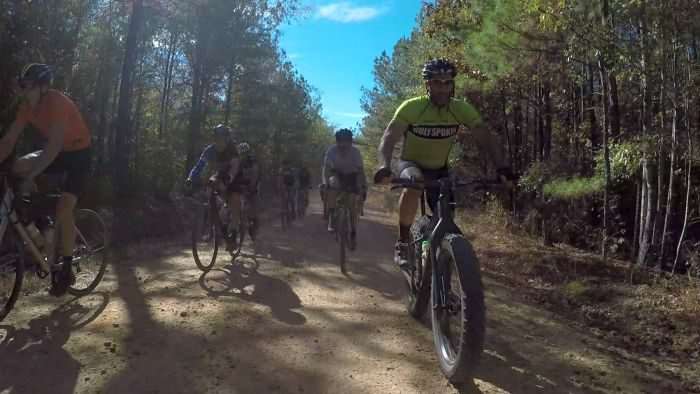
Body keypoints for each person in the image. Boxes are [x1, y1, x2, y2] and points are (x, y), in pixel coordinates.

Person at [373, 58, 514, 270]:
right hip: (410, 163)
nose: (443, 88)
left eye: (447, 83)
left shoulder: (460, 109)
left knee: (446, 222)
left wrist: (501, 166)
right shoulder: (413, 107)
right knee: (415, 183)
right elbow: (389, 138)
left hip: (439, 168)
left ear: (453, 85)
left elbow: (485, 136)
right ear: (427, 84)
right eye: (437, 83)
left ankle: (442, 275)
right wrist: (384, 165)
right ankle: (403, 242)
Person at [0, 63, 92, 296]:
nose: (24, 92)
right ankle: (42, 223)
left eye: (29, 88)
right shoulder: (26, 107)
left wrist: (32, 177)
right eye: (23, 87)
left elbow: (52, 149)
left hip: (79, 155)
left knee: (64, 208)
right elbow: (9, 140)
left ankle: (67, 268)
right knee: (18, 166)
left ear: (43, 88)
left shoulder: (57, 103)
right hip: (59, 153)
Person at [185, 124, 241, 251]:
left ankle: (233, 231)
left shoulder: (232, 149)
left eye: (222, 138)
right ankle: (211, 225)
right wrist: (190, 178)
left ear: (227, 139)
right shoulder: (209, 150)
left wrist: (230, 178)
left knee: (234, 202)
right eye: (216, 138)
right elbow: (199, 166)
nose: (219, 141)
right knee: (210, 188)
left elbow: (235, 166)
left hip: (234, 177)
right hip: (219, 175)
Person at [322, 128, 366, 250]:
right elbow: (326, 170)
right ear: (337, 142)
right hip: (336, 174)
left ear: (351, 142)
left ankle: (353, 232)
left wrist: (362, 186)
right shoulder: (331, 151)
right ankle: (331, 216)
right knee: (332, 186)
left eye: (347, 142)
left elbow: (360, 172)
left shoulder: (356, 152)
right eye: (341, 141)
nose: (344, 145)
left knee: (352, 204)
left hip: (352, 176)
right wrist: (325, 183)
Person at [233, 142, 260, 237]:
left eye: (244, 153)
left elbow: (255, 174)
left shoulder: (252, 161)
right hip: (242, 185)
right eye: (241, 154)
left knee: (253, 206)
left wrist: (252, 187)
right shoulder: (238, 162)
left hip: (253, 185)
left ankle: (254, 222)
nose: (242, 155)